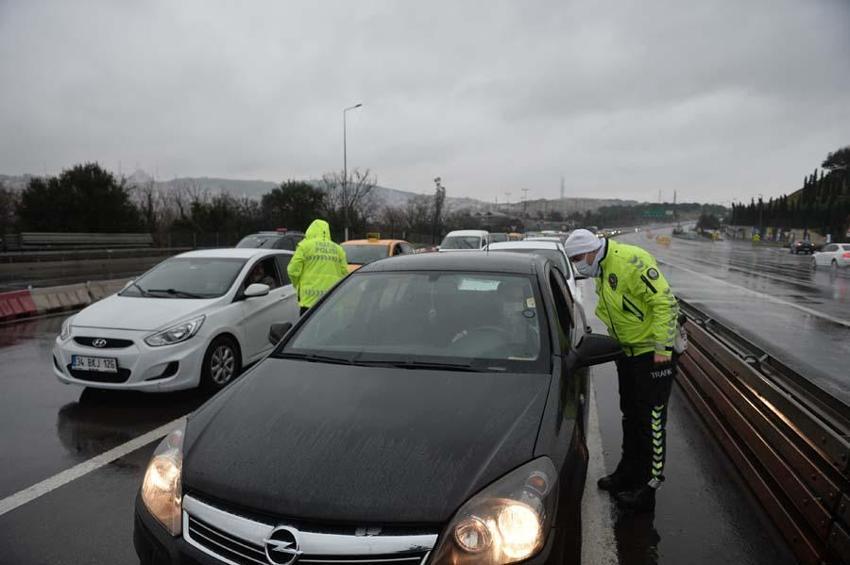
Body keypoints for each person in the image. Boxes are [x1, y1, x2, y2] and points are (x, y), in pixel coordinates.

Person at [564, 229, 679, 512]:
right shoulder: (602, 268)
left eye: (578, 258)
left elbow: (665, 303)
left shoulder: (631, 261)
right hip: (628, 353)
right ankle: (628, 472)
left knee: (650, 423)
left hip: (653, 355)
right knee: (631, 416)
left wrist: (663, 349)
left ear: (591, 249)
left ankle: (648, 486)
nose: (578, 264)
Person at [287, 219, 348, 315]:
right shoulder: (338, 249)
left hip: (308, 302)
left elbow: (292, 271)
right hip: (331, 301)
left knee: (308, 329)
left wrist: (297, 285)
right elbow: (345, 273)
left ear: (310, 230)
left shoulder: (304, 246)